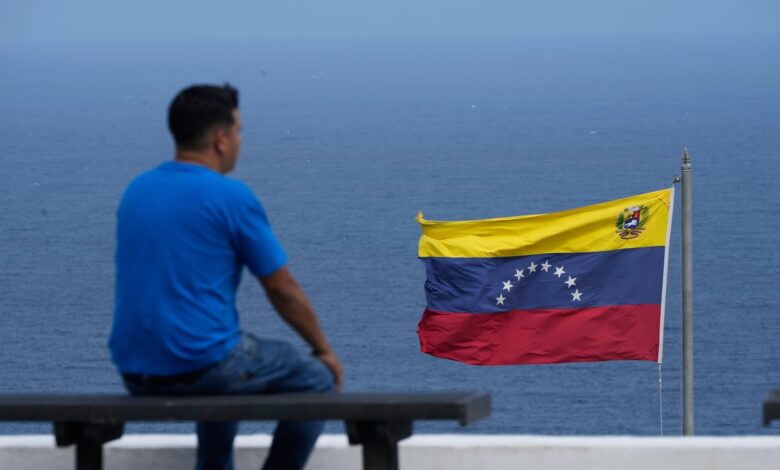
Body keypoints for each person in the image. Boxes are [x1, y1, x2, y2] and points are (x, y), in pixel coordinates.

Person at [109, 83, 343, 470]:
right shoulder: (230, 197)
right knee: (315, 380)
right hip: (200, 368)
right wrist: (324, 350)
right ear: (220, 139)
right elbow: (281, 289)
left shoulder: (137, 190)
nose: (240, 141)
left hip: (135, 370)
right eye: (238, 132)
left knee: (223, 356)